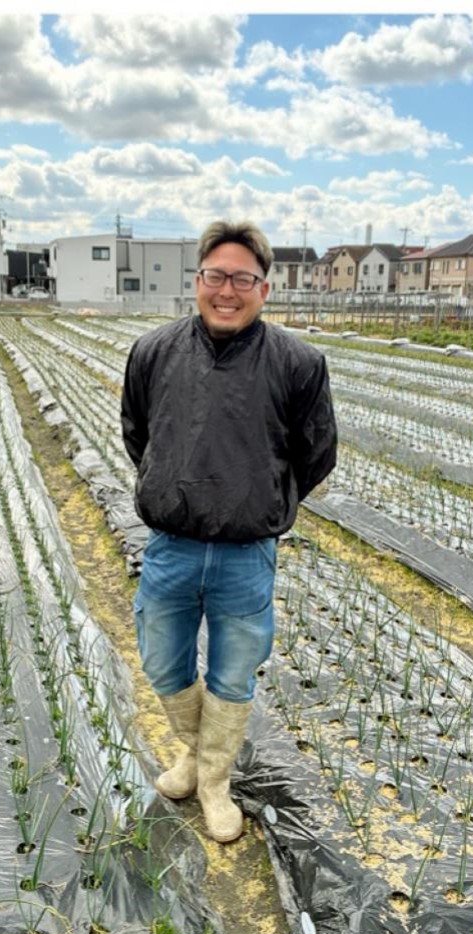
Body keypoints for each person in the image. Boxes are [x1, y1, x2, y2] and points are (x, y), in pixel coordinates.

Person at [120, 220, 335, 842]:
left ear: (264, 289)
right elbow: (139, 434)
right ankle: (189, 754)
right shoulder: (154, 352)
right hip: (171, 547)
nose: (228, 290)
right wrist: (172, 486)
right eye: (217, 276)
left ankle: (214, 781)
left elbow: (316, 452)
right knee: (163, 662)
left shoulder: (298, 363)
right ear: (198, 281)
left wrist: (262, 502)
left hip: (247, 555)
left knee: (232, 675)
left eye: (244, 279)